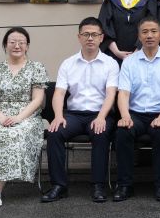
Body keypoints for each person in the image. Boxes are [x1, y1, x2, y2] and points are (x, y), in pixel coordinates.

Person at [41, 17, 119, 203]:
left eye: (94, 34)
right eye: (86, 34)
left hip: (99, 114)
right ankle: (59, 186)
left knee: (100, 133)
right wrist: (58, 116)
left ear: (101, 38)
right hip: (73, 115)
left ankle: (98, 185)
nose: (90, 38)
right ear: (79, 37)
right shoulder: (68, 63)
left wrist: (101, 117)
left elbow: (111, 94)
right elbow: (59, 93)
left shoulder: (110, 63)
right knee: (54, 132)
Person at [0, 27, 48, 207]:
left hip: (27, 116)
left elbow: (37, 100)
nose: (17, 46)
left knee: (13, 134)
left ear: (27, 46)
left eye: (21, 42)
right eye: (12, 42)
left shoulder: (36, 68)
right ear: (5, 45)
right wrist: (0, 117)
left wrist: (19, 118)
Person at [112, 17, 160, 202]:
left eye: (153, 31)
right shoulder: (129, 62)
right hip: (136, 113)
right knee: (123, 131)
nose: (149, 35)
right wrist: (125, 116)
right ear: (139, 36)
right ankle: (125, 185)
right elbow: (123, 93)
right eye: (145, 32)